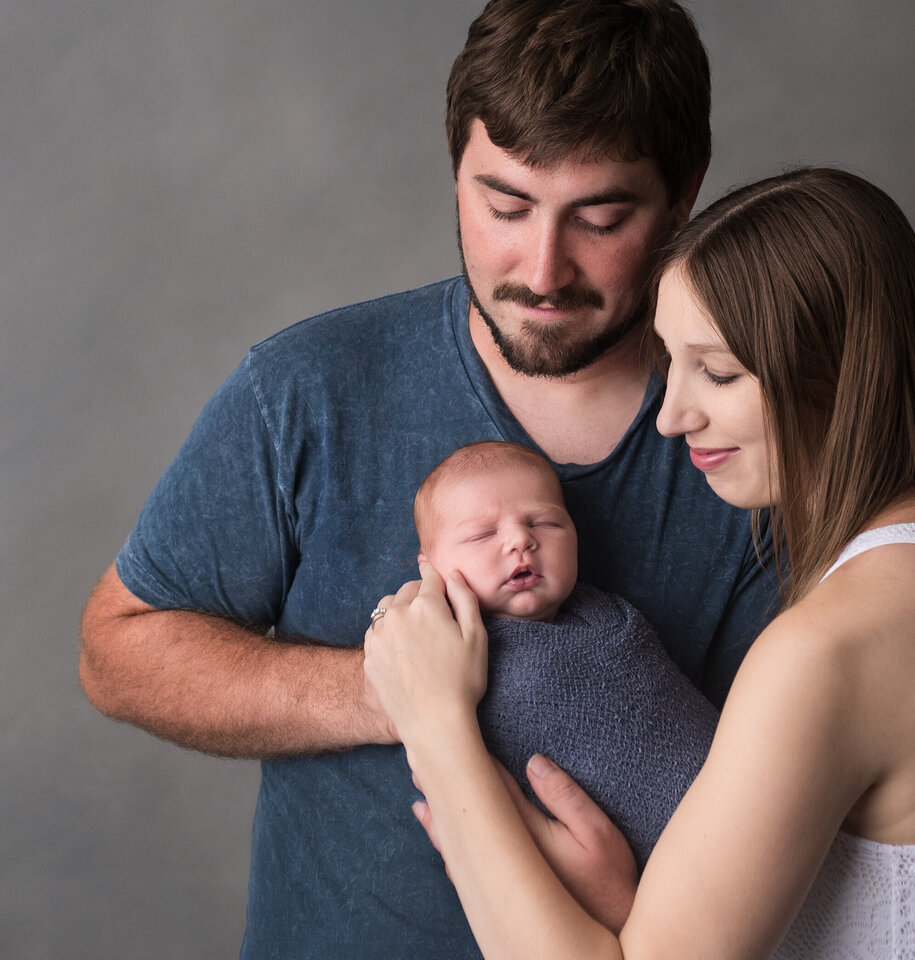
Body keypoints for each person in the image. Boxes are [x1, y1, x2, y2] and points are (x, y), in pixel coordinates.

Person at [78, 2, 776, 956]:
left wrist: (634, 900)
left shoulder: (755, 452)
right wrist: (392, 691)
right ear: (455, 173)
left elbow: (778, 821)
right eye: (504, 205)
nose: (542, 268)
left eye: (601, 218)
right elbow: (118, 651)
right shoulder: (308, 389)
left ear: (685, 193)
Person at [364, 167, 915, 959]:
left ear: (838, 374)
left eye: (717, 372)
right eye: (669, 363)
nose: (673, 417)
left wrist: (435, 726)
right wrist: (635, 903)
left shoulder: (835, 645)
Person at [413, 440, 718, 867]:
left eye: (545, 523)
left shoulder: (608, 619)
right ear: (429, 568)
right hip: (655, 870)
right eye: (483, 534)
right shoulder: (443, 659)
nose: (521, 539)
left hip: (730, 803)